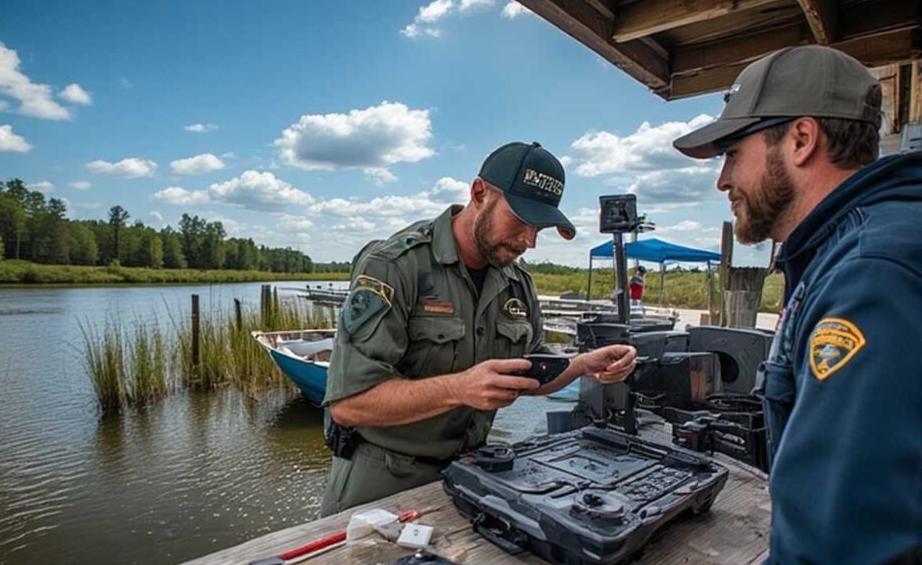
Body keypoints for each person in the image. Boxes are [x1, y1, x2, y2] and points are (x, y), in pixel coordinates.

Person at [673, 45, 922, 564]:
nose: (722, 179)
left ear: (801, 139)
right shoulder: (850, 250)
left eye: (733, 153)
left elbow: (842, 544)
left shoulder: (868, 275)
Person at [320, 142, 638, 516]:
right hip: (381, 485)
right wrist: (460, 388)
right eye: (520, 220)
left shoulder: (518, 282)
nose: (529, 241)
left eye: (539, 228)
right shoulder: (395, 265)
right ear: (479, 194)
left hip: (471, 478)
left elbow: (531, 374)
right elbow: (348, 404)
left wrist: (584, 364)